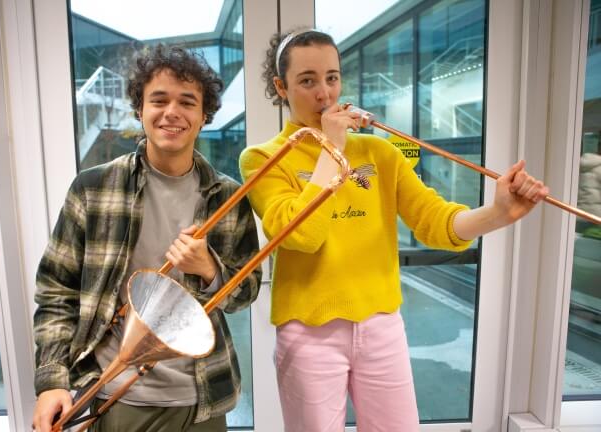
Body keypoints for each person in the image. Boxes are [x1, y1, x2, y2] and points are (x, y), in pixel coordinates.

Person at [239, 29, 549, 432]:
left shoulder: (380, 153)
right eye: (307, 80)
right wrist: (333, 149)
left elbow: (435, 222)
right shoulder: (262, 159)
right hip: (308, 334)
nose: (325, 94)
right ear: (282, 87)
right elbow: (303, 235)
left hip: (381, 325)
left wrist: (498, 213)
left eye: (332, 77)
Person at [31, 44, 261, 432]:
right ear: (140, 110)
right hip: (114, 391)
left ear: (204, 116)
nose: (172, 112)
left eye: (187, 102)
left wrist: (210, 269)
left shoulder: (228, 196)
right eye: (159, 99)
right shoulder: (93, 187)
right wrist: (52, 381)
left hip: (203, 393)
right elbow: (56, 290)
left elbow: (247, 291)